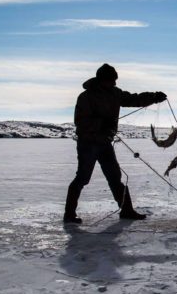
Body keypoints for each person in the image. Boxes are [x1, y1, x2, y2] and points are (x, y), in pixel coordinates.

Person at [64, 63, 167, 224]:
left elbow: (134, 99)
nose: (114, 83)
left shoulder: (115, 93)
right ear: (101, 80)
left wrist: (154, 97)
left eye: (115, 80)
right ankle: (69, 214)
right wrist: (101, 124)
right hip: (88, 143)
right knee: (82, 178)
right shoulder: (86, 96)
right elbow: (80, 121)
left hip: (105, 143)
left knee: (115, 177)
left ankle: (126, 211)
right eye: (111, 80)